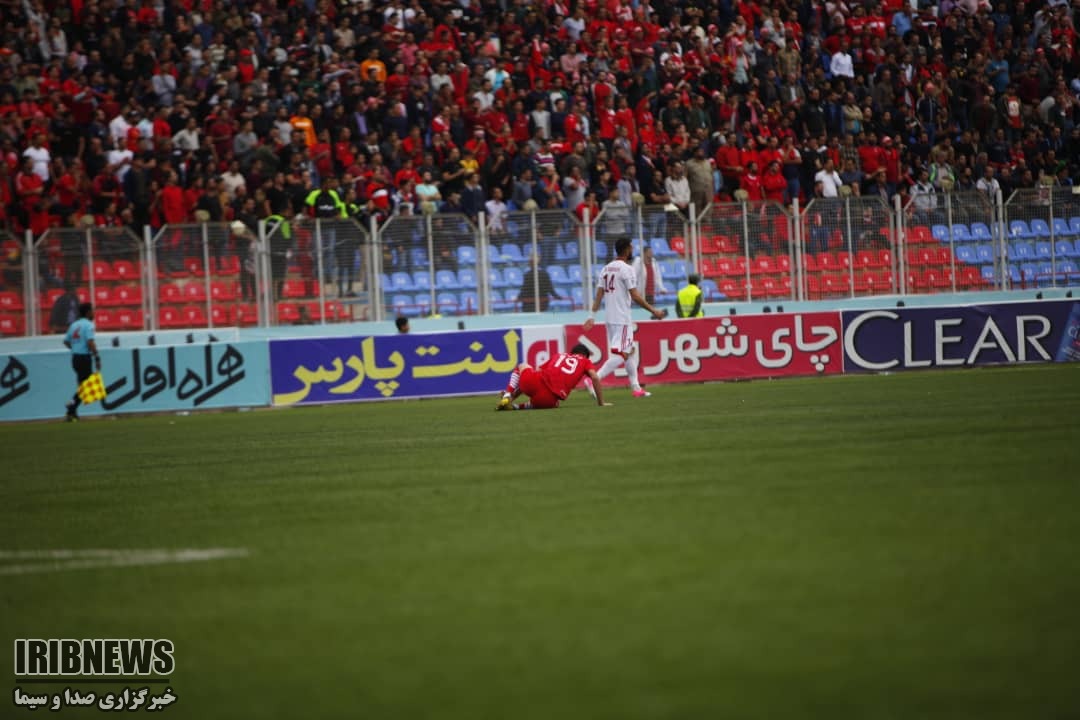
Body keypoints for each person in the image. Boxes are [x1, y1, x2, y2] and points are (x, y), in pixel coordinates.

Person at [583, 237, 667, 398]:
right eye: (631, 247)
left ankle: (636, 388)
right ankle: (594, 378)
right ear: (627, 249)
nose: (633, 250)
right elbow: (635, 296)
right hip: (621, 319)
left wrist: (592, 316)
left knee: (630, 350)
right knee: (623, 354)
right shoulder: (627, 269)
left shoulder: (606, 268)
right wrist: (653, 310)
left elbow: (599, 295)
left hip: (610, 319)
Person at [496, 343, 609, 410]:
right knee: (554, 403)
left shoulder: (559, 355)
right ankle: (516, 407)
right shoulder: (585, 361)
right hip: (547, 399)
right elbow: (595, 377)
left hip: (532, 382)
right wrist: (601, 402)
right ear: (584, 355)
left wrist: (516, 391)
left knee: (522, 366)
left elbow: (539, 370)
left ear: (572, 352)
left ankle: (508, 395)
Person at [63, 303, 100, 422]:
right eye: (92, 311)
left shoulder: (74, 325)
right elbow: (90, 342)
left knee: (82, 385)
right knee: (87, 386)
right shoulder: (89, 325)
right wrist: (97, 357)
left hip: (75, 358)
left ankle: (72, 413)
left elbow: (66, 341)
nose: (94, 313)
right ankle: (71, 404)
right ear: (88, 312)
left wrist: (75, 349)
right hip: (84, 358)